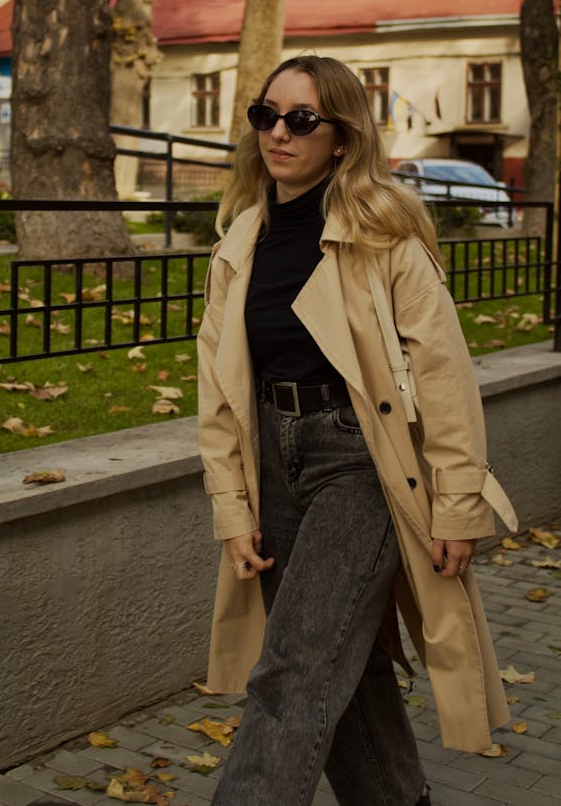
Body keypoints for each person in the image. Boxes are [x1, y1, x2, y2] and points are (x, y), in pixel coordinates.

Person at [197, 54, 517, 806]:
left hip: (362, 463)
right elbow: (218, 389)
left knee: (293, 669)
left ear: (340, 136)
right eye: (265, 115)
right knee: (347, 662)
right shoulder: (241, 239)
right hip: (274, 459)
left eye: (301, 119)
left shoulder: (384, 235)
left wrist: (458, 502)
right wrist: (233, 507)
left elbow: (442, 376)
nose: (278, 132)